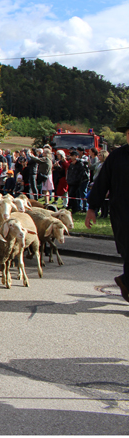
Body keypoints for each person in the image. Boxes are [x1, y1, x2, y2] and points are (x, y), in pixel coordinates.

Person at [85, 122, 129, 303]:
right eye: (128, 133)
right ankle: (126, 282)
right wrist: (92, 208)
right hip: (123, 212)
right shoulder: (117, 156)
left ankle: (126, 281)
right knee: (127, 251)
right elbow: (102, 182)